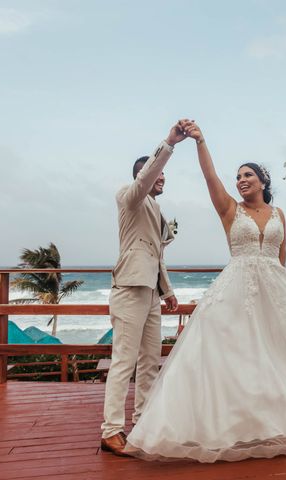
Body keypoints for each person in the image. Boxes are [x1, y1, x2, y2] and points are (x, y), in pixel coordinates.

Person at [125, 120, 286, 462]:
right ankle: (230, 428)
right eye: (238, 177)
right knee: (237, 359)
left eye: (248, 175)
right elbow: (210, 176)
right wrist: (201, 141)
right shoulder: (231, 210)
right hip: (237, 290)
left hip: (275, 287)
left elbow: (281, 257)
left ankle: (282, 422)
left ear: (263, 181)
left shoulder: (278, 214)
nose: (241, 180)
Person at [101, 122, 187, 456]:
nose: (162, 180)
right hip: (129, 289)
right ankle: (110, 430)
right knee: (124, 360)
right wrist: (169, 144)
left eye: (164, 178)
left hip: (151, 293)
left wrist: (167, 292)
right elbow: (147, 176)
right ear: (144, 177)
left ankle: (143, 422)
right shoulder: (129, 197)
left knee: (151, 361)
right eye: (156, 177)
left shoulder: (156, 209)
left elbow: (158, 255)